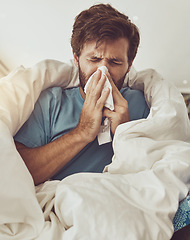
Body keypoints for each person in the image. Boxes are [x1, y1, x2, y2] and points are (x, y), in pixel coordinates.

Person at [14, 4, 150, 185]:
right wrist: (82, 131)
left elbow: (157, 175)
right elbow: (15, 172)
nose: (103, 71)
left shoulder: (142, 104)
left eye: (115, 62)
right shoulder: (50, 103)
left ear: (129, 64)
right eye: (94, 59)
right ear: (76, 58)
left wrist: (124, 134)